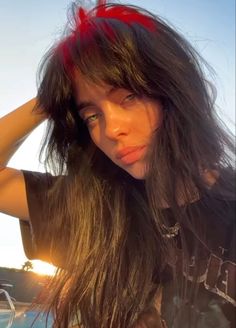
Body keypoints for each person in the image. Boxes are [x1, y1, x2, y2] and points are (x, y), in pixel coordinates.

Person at [0, 1, 235, 327]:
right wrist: (50, 97)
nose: (111, 130)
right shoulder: (93, 209)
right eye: (92, 115)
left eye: (128, 97)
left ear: (174, 90)